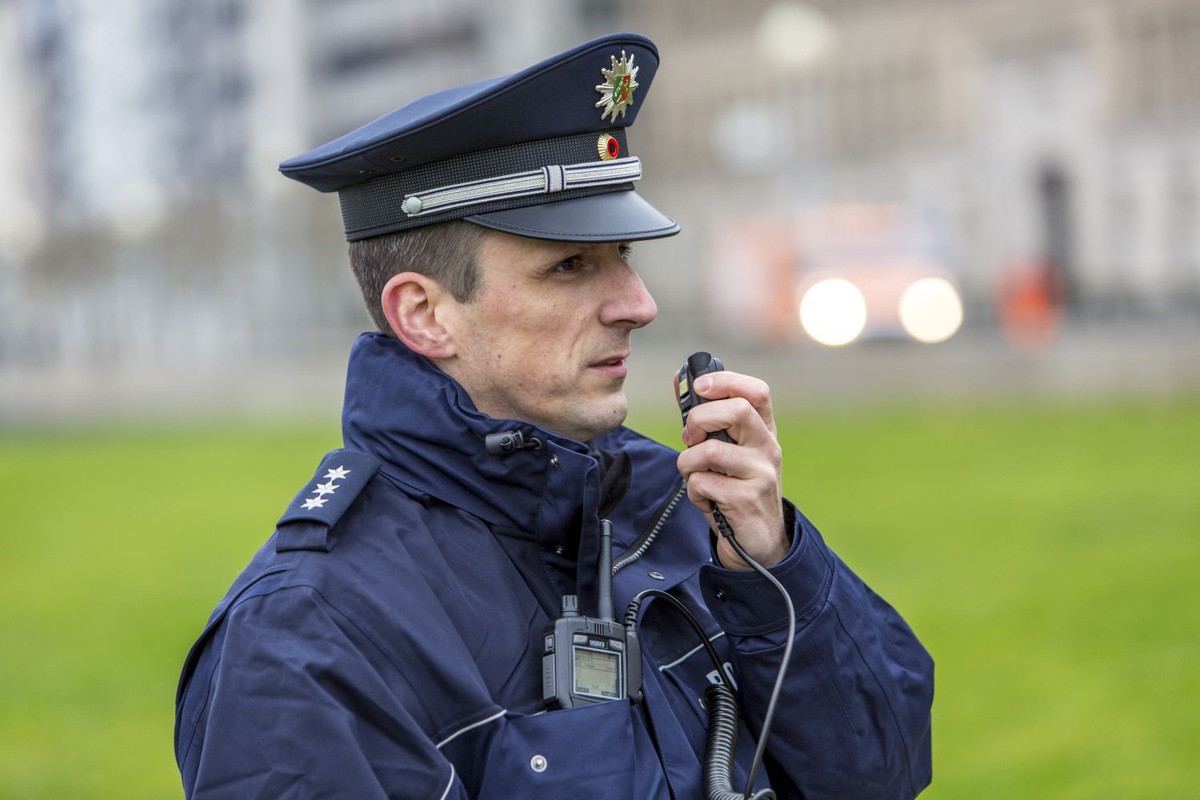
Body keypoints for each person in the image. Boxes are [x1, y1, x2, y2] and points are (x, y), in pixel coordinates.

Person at [174, 32, 933, 799]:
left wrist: (774, 570)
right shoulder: (305, 638)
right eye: (569, 266)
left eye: (624, 256)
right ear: (425, 314)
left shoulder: (683, 510)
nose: (639, 305)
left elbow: (883, 775)